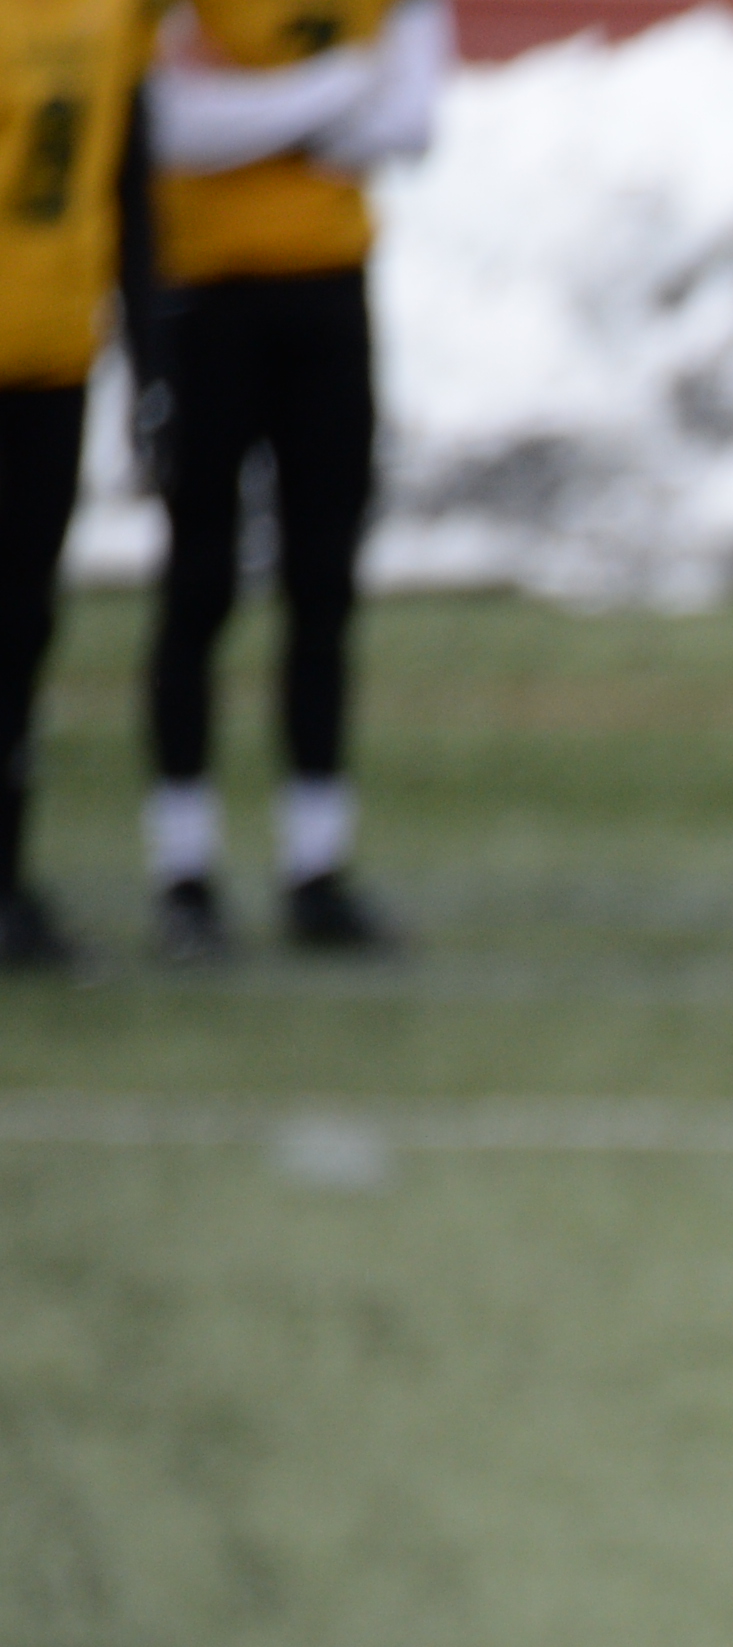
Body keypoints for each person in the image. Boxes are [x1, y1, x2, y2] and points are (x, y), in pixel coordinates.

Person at [136, 0, 443, 959]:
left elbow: (411, 122)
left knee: (325, 582)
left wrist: (255, 108)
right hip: (204, 293)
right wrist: (337, 89)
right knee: (198, 582)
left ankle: (318, 862)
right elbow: (173, 126)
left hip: (330, 293)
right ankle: (183, 867)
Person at [3, 0, 151, 973]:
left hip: (55, 361)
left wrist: (149, 348)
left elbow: (127, 174)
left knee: (23, 628)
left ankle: (8, 877)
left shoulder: (110, 15)